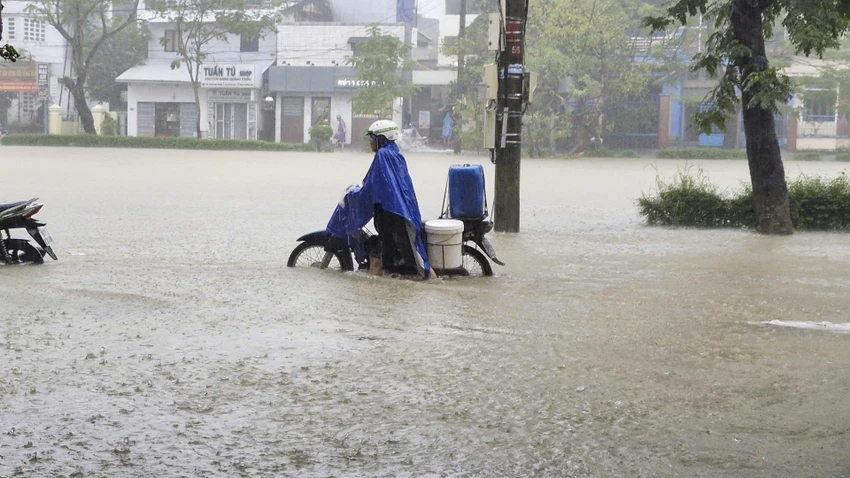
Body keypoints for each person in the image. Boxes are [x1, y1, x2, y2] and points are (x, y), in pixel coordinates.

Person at [326, 120, 437, 280]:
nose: (371, 142)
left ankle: (433, 282)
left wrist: (355, 195)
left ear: (382, 138)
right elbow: (381, 184)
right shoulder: (394, 153)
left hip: (394, 216)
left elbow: (374, 186)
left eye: (373, 138)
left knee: (405, 258)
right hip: (397, 213)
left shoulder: (383, 155)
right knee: (392, 252)